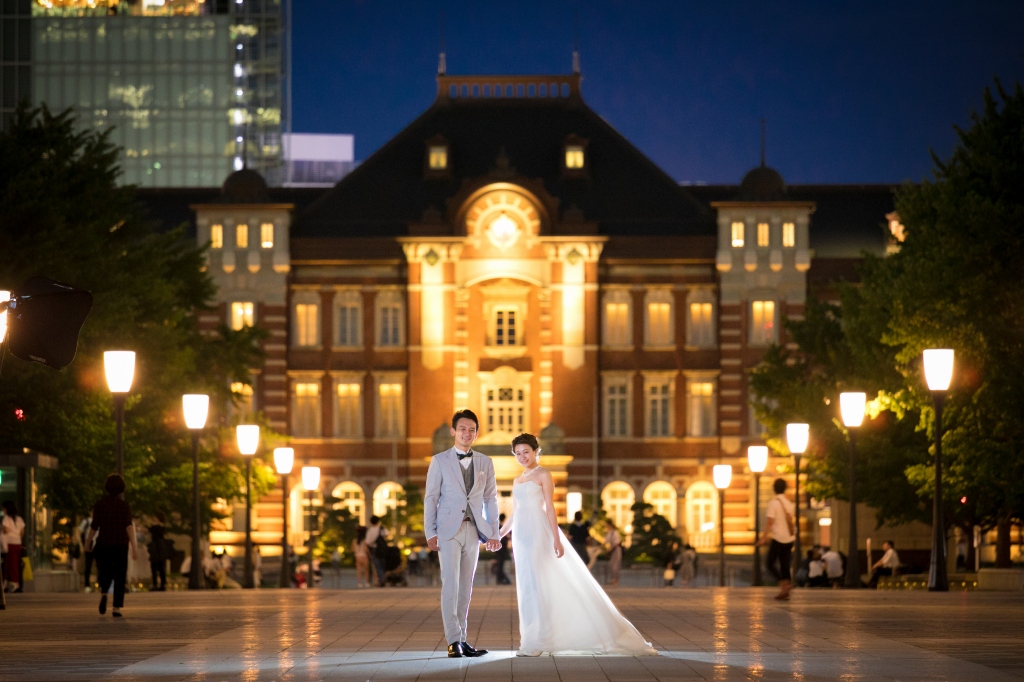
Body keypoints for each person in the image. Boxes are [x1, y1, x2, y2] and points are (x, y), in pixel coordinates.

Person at [499, 432, 656, 657]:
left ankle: (540, 640)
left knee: (537, 583)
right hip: (521, 537)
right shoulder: (517, 480)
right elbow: (515, 513)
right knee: (526, 585)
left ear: (535, 452)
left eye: (526, 452)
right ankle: (531, 639)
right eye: (518, 453)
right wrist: (499, 535)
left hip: (538, 532)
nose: (522, 457)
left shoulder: (544, 474)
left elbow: (550, 508)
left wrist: (556, 537)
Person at [423, 409, 501, 659]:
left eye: (472, 430)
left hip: (473, 530)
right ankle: (453, 640)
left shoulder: (485, 462)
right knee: (451, 584)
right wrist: (430, 532)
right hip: (447, 531)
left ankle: (462, 639)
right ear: (453, 431)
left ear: (476, 434)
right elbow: (431, 498)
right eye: (463, 428)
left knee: (466, 587)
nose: (467, 433)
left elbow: (490, 499)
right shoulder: (440, 460)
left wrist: (494, 533)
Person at [86, 474, 138, 617]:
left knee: (105, 570)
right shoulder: (124, 506)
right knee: (120, 575)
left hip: (104, 543)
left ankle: (104, 592)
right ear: (122, 488)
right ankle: (116, 608)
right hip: (121, 544)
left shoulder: (100, 504)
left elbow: (94, 526)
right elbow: (128, 526)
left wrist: (88, 542)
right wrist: (134, 546)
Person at [757, 478, 795, 600]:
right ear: (785, 489)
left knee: (769, 563)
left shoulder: (774, 503)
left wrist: (764, 537)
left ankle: (784, 583)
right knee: (785, 564)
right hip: (789, 538)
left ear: (774, 489)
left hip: (778, 538)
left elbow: (770, 522)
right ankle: (785, 591)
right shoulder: (789, 504)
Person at [2, 501, 26, 593]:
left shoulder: (6, 519)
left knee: (9, 565)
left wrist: (3, 530)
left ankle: (12, 585)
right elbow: (22, 532)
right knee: (15, 564)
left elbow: (6, 530)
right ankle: (10, 584)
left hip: (9, 544)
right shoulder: (19, 519)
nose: (3, 510)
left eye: (4, 508)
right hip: (17, 543)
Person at [365, 515, 390, 588]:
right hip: (382, 549)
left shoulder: (370, 530)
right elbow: (387, 534)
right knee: (383, 565)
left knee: (377, 566)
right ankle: (383, 578)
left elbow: (368, 542)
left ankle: (381, 580)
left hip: (374, 549)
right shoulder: (381, 528)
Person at [147, 512, 168, 591]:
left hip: (157, 548)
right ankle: (159, 583)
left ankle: (159, 584)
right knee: (157, 567)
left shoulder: (158, 527)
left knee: (159, 567)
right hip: (158, 548)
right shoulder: (158, 527)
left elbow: (151, 530)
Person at [77, 514, 96, 590]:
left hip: (99, 544)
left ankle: (100, 584)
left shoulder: (101, 519)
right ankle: (87, 585)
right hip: (89, 545)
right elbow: (78, 532)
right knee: (88, 565)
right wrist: (81, 545)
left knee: (101, 566)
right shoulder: (86, 521)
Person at [492, 514, 511, 585]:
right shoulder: (501, 526)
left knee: (500, 564)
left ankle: (500, 579)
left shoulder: (498, 526)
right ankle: (501, 579)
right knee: (500, 564)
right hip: (501, 550)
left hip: (500, 550)